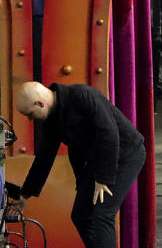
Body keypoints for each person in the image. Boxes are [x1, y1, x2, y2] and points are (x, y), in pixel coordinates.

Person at [13, 81, 146, 248]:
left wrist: (103, 178)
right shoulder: (51, 119)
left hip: (126, 154)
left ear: (40, 103)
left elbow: (109, 134)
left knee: (102, 214)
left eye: (30, 114)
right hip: (98, 160)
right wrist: (26, 194)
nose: (30, 119)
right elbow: (45, 157)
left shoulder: (82, 95)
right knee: (81, 215)